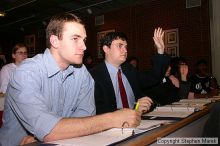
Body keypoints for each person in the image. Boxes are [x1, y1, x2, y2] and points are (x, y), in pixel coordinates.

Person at [0, 12, 141, 146]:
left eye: (84, 40)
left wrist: (53, 132)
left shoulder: (82, 73)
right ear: (55, 41)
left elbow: (84, 121)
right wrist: (112, 118)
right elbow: (50, 131)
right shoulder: (26, 73)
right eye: (75, 39)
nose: (84, 46)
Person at [89, 28, 170, 114]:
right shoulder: (94, 76)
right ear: (106, 49)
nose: (125, 50)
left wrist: (160, 50)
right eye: (120, 46)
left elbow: (153, 77)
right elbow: (99, 111)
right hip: (113, 125)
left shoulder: (128, 69)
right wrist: (134, 110)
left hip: (139, 121)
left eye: (126, 46)